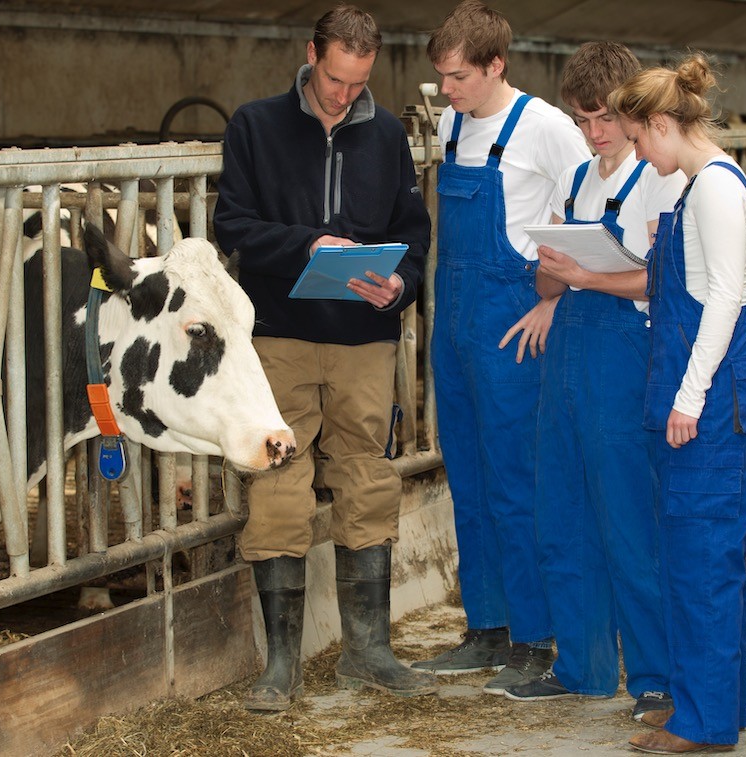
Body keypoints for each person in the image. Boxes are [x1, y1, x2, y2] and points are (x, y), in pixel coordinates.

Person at [212, 4, 437, 712]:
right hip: (278, 331)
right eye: (336, 78)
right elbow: (233, 225)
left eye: (358, 81)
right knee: (278, 475)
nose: (345, 94)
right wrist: (307, 244)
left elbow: (413, 230)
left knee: (367, 476)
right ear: (312, 55)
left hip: (363, 339)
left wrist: (399, 283)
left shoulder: (387, 135)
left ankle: (368, 650)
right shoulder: (255, 125)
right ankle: (281, 665)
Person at [499, 42, 684, 727]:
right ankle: (581, 666)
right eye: (582, 121)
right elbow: (545, 275)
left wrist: (581, 277)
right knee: (563, 515)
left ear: (629, 110)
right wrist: (552, 276)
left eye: (604, 118)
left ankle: (657, 678)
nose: (595, 134)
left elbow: (661, 277)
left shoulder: (657, 178)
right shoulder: (576, 179)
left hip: (620, 359)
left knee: (628, 524)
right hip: (567, 362)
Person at [410, 0, 590, 696]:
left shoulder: (544, 127)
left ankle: (534, 632)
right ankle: (484, 625)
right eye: (442, 76)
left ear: (494, 65)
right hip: (454, 317)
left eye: (457, 77)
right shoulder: (454, 123)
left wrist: (553, 296)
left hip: (510, 313)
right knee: (469, 472)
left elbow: (590, 208)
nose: (446, 90)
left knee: (518, 476)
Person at [608, 54, 746, 754]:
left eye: (638, 140)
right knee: (690, 554)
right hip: (695, 389)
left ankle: (702, 723)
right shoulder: (693, 188)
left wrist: (687, 395)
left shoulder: (713, 189)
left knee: (704, 557)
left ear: (659, 125)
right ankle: (705, 702)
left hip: (710, 398)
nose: (639, 156)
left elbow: (725, 302)